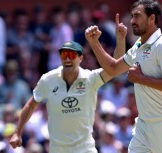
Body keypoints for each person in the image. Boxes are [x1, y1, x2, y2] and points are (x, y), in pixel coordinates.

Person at [9, 13, 127, 153]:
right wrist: (17, 132)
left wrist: (120, 39)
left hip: (85, 149)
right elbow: (30, 105)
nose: (67, 59)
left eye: (71, 55)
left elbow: (116, 68)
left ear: (81, 58)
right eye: (64, 55)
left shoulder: (90, 79)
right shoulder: (48, 79)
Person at [85, 0, 162, 152]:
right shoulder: (138, 46)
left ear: (151, 18)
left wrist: (140, 79)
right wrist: (94, 43)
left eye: (137, 16)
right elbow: (113, 68)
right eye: (132, 17)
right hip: (143, 125)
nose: (132, 21)